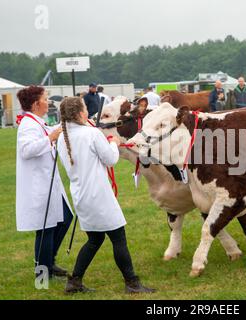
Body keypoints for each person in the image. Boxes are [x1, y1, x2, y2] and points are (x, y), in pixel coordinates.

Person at [57, 97, 156, 294]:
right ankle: (132, 283)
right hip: (98, 195)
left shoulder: (62, 136)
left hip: (81, 195)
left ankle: (75, 281)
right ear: (79, 114)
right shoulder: (91, 133)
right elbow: (111, 159)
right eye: (85, 109)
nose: (88, 112)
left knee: (95, 239)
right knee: (118, 238)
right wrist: (113, 141)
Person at [15, 85, 73, 280]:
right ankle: (42, 275)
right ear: (35, 103)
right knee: (46, 228)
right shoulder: (27, 125)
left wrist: (67, 125)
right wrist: (50, 138)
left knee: (65, 219)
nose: (48, 102)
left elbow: (52, 131)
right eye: (45, 98)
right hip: (38, 185)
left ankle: (49, 262)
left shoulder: (36, 122)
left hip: (49, 183)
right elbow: (26, 150)